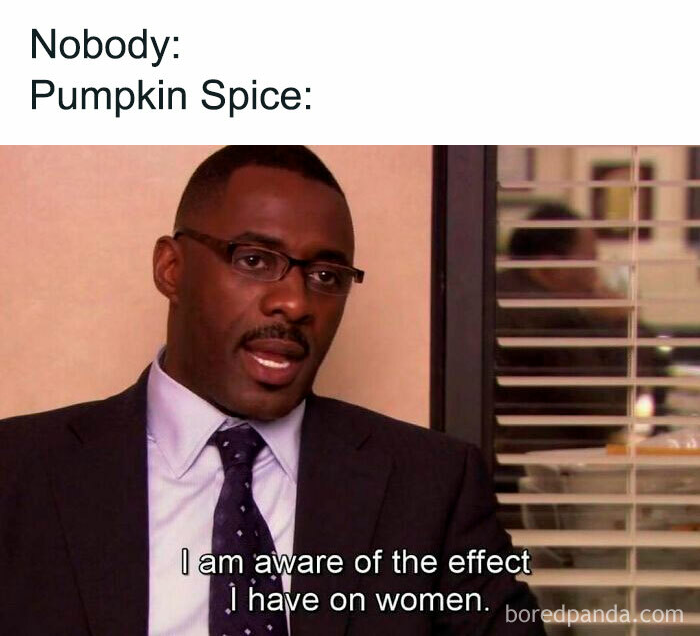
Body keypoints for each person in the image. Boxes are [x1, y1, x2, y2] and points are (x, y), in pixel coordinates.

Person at [0, 146, 543, 635]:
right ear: (171, 268)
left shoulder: (431, 487)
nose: (296, 303)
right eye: (255, 260)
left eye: (326, 276)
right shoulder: (17, 472)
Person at [495, 203, 668, 454]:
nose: (594, 274)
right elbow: (607, 411)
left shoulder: (499, 295)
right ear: (550, 266)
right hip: (540, 467)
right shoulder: (553, 319)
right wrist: (624, 323)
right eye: (589, 260)